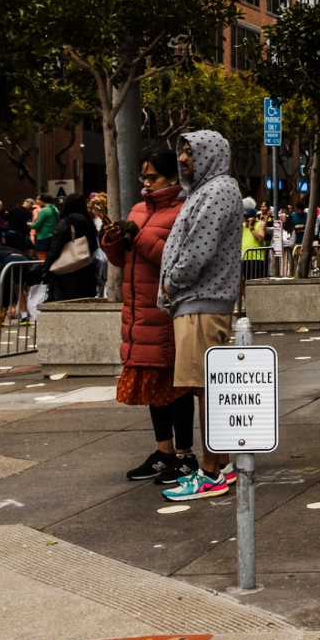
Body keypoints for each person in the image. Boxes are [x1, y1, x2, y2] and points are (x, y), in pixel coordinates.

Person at [157, 130, 244, 502]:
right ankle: (217, 466)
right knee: (204, 388)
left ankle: (212, 471)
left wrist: (172, 283)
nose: (183, 159)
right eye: (181, 152)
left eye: (190, 152)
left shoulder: (217, 191)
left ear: (210, 153)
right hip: (196, 304)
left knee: (206, 390)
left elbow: (197, 250)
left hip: (201, 304)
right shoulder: (204, 191)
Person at [103, 147, 198, 485]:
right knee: (153, 386)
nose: (146, 183)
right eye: (143, 177)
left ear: (172, 176)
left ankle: (186, 454)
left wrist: (137, 236)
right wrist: (113, 240)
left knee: (178, 386)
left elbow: (176, 261)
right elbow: (121, 260)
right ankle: (164, 452)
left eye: (153, 177)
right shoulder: (139, 208)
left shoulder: (184, 211)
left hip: (166, 311)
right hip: (138, 310)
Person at [43, 191, 100, 301]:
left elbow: (55, 248)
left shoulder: (66, 222)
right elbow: (93, 245)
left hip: (66, 273)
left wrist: (46, 268)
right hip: (86, 270)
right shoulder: (88, 221)